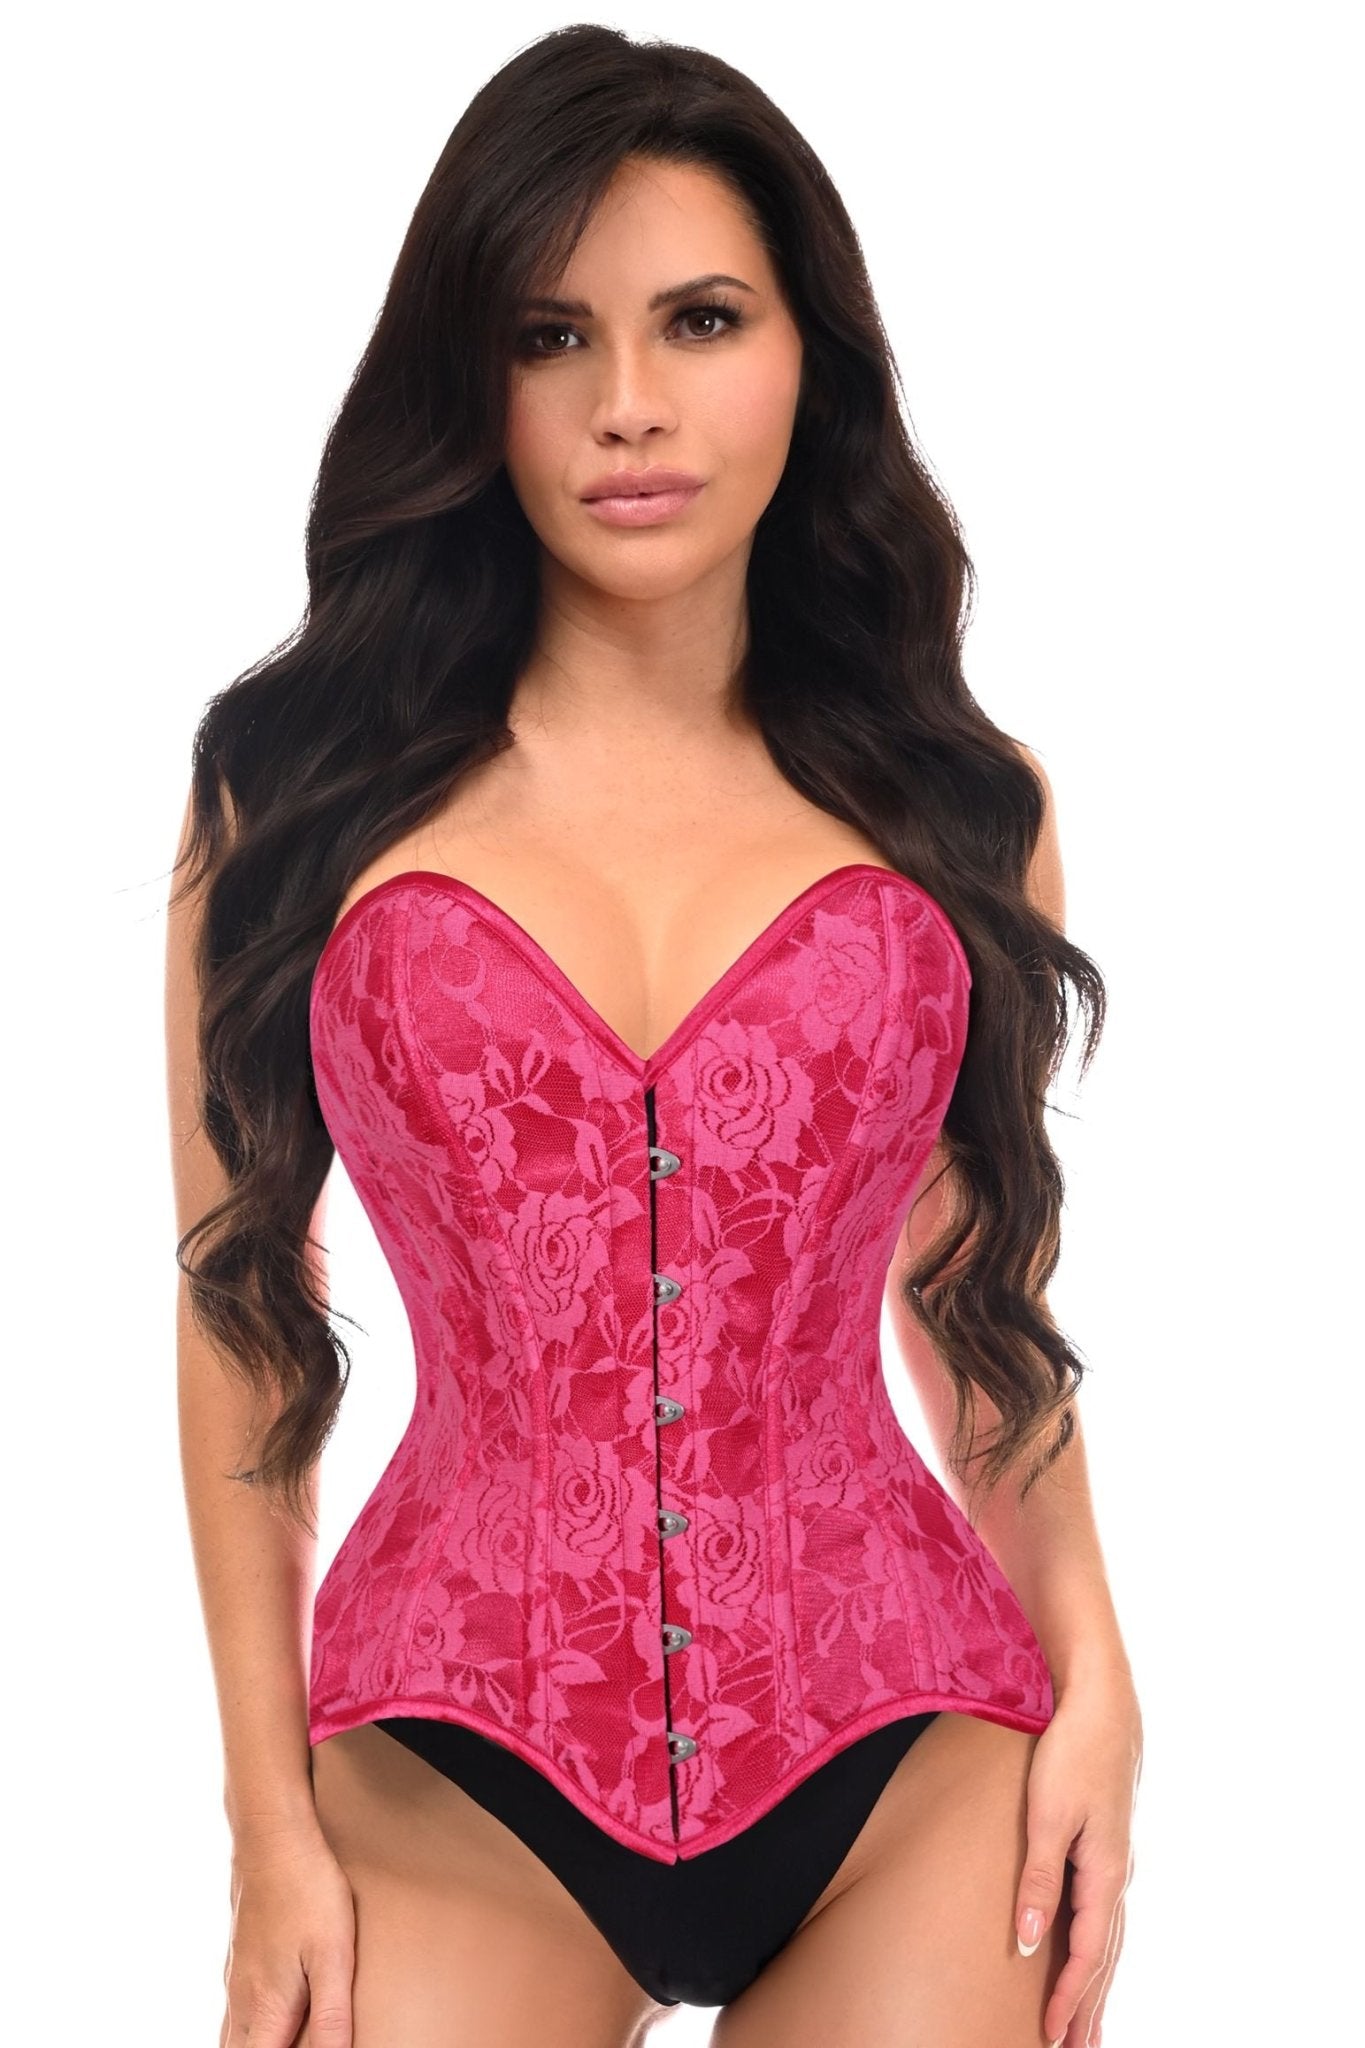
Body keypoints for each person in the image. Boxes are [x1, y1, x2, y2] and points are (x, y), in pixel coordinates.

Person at [166, 25, 1142, 2048]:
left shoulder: (959, 812)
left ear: (808, 357)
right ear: (473, 381)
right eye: (549, 337)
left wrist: (1099, 1674)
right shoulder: (294, 799)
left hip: (906, 1752)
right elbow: (242, 1315)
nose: (627, 404)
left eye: (700, 320)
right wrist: (264, 1822)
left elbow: (980, 1291)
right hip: (450, 1778)